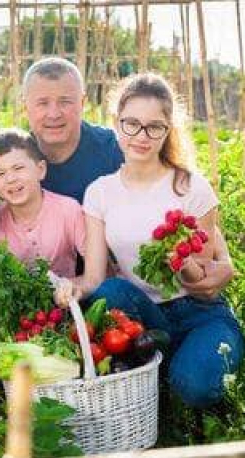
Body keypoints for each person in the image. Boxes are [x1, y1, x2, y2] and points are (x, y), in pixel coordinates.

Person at [0, 57, 234, 299]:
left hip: (105, 285)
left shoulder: (113, 149)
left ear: (82, 102)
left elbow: (178, 199)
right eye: (42, 103)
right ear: (25, 106)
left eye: (65, 101)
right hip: (55, 290)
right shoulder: (11, 160)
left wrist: (223, 261)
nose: (54, 113)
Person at [67, 72, 243, 407]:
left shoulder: (191, 187)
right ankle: (161, 363)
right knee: (109, 291)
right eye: (131, 123)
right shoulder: (100, 193)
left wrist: (183, 262)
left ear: (167, 130)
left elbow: (203, 282)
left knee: (191, 388)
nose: (141, 136)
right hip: (142, 317)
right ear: (116, 124)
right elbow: (93, 278)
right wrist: (69, 287)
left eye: (154, 127)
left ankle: (193, 358)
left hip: (199, 312)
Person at [0, 128, 85, 279]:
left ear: (40, 170)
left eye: (18, 168)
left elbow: (97, 270)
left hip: (67, 297)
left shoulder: (68, 210)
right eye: (0, 174)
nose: (10, 179)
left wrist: (73, 288)